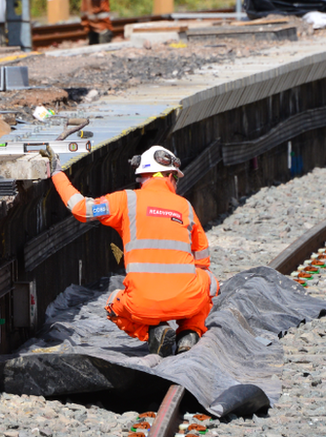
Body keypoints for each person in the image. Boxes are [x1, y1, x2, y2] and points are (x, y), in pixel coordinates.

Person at [49, 145, 218, 357]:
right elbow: (202, 258)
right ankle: (190, 332)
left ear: (142, 176)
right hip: (187, 301)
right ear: (169, 177)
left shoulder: (125, 201)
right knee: (209, 281)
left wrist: (57, 174)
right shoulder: (184, 207)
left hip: (142, 304)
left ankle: (154, 331)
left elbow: (81, 209)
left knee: (113, 303)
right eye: (175, 178)